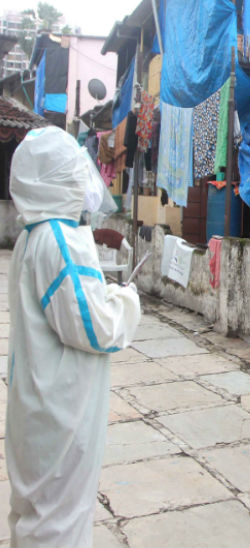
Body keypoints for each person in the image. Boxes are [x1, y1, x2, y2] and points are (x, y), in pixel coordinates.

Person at [6, 126, 141, 546]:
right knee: (58, 521)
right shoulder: (60, 240)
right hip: (62, 410)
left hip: (38, 402)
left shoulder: (32, 235)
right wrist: (126, 300)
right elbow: (95, 328)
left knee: (36, 513)